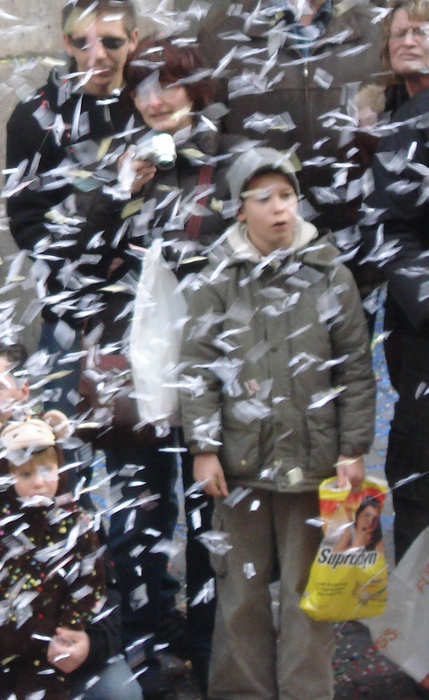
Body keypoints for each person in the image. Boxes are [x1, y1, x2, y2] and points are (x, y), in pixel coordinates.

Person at [50, 37, 226, 696]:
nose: (153, 99)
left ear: (195, 88)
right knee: (136, 522)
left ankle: (211, 660)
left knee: (211, 529)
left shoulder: (231, 160)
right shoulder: (121, 159)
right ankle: (147, 651)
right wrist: (114, 194)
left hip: (208, 370)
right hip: (132, 375)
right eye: (142, 88)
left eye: (168, 86)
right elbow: (76, 261)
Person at [180, 147, 375, 700]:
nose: (279, 209)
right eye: (263, 198)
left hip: (317, 468)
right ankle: (242, 691)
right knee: (239, 597)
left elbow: (355, 371)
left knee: (308, 593)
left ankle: (307, 692)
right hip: (239, 468)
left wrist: (354, 446)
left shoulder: (331, 275)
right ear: (240, 211)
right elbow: (197, 369)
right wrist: (204, 446)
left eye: (287, 196)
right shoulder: (217, 280)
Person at [200, 0, 384, 256]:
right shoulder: (226, 33)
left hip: (355, 239)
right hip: (262, 245)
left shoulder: (375, 31)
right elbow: (207, 145)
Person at [3, 0, 139, 409]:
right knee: (64, 457)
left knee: (155, 460)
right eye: (84, 43)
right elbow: (29, 228)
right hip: (71, 318)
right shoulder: (33, 118)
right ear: (66, 43)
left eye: (112, 42)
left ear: (134, 40)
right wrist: (110, 197)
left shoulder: (151, 106)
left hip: (150, 309)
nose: (97, 56)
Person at [0, 417, 107, 700]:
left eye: (46, 471)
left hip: (48, 643)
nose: (38, 483)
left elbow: (91, 578)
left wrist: (71, 626)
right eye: (25, 475)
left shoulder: (75, 519)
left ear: (59, 470)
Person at [363, 0, 429, 558]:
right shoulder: (388, 113)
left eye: (423, 30)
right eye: (401, 32)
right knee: (415, 463)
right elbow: (387, 226)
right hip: (416, 321)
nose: (410, 41)